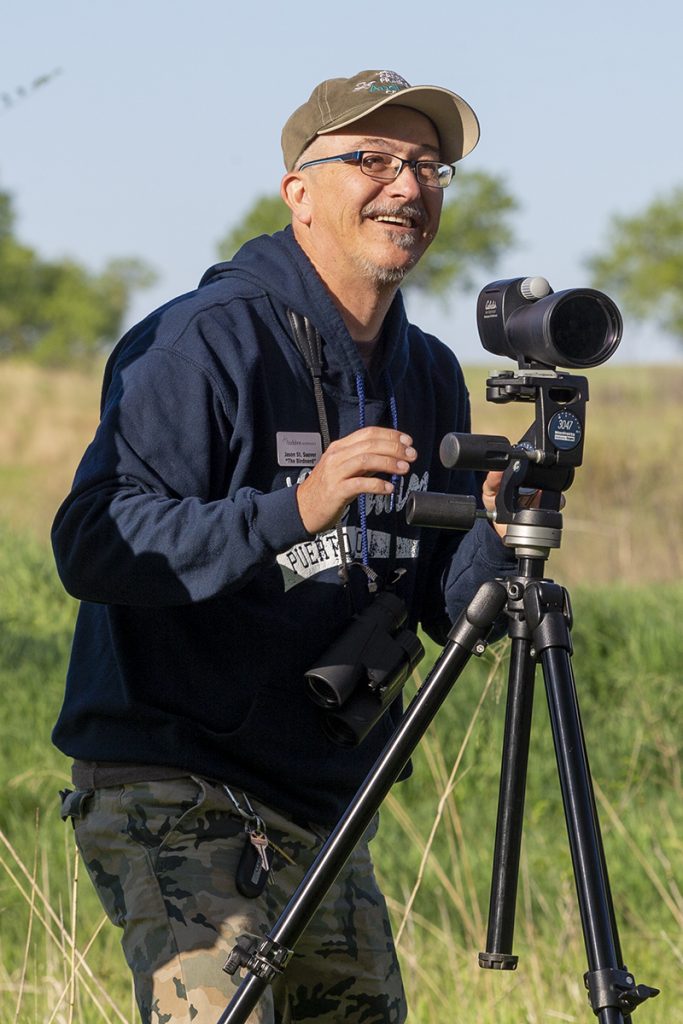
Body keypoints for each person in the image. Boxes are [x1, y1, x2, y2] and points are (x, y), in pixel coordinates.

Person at [52, 69, 516, 1024]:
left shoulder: (425, 374)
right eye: (372, 160)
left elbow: (438, 602)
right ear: (298, 193)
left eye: (428, 166)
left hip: (323, 807)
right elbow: (94, 541)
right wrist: (293, 509)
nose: (407, 185)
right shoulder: (204, 342)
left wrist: (501, 537)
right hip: (178, 787)